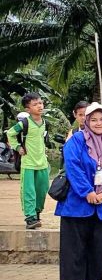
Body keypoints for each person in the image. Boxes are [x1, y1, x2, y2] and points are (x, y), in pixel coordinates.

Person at [58, 102, 102, 280]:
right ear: (85, 121)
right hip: (78, 203)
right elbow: (73, 167)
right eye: (93, 119)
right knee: (75, 246)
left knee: (98, 244)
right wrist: (87, 192)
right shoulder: (76, 141)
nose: (98, 123)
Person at [6, 92, 49, 229]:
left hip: (42, 163)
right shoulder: (24, 123)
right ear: (28, 109)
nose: (39, 106)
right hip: (28, 163)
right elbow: (10, 133)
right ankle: (30, 218)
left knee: (42, 190)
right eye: (35, 104)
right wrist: (18, 147)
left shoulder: (44, 123)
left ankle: (36, 214)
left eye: (40, 103)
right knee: (29, 191)